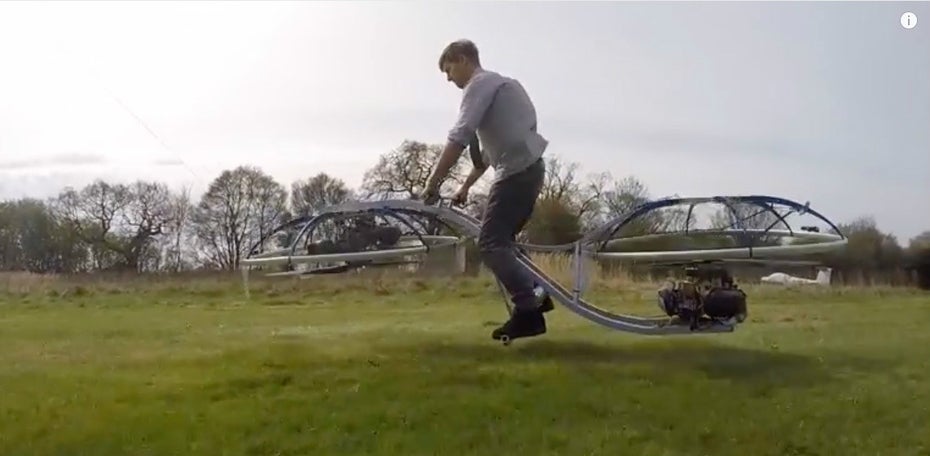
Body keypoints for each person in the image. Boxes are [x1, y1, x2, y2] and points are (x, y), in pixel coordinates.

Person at [419, 39, 553, 342]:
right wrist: (465, 187)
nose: (449, 78)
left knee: (491, 243)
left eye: (448, 69)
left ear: (463, 59)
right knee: (502, 243)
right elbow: (484, 157)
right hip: (528, 169)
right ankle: (536, 295)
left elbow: (460, 135)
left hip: (517, 173)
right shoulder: (500, 88)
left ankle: (529, 311)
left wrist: (433, 182)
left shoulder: (479, 85)